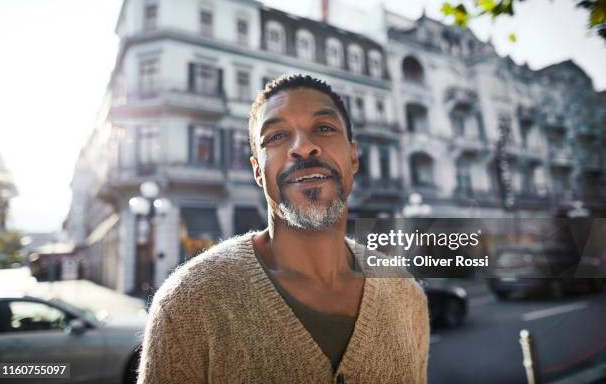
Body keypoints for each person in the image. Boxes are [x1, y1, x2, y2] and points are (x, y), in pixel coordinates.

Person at [137, 74, 430, 383]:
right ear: (258, 171)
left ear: (353, 157)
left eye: (324, 128)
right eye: (276, 136)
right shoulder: (187, 303)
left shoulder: (406, 294)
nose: (303, 148)